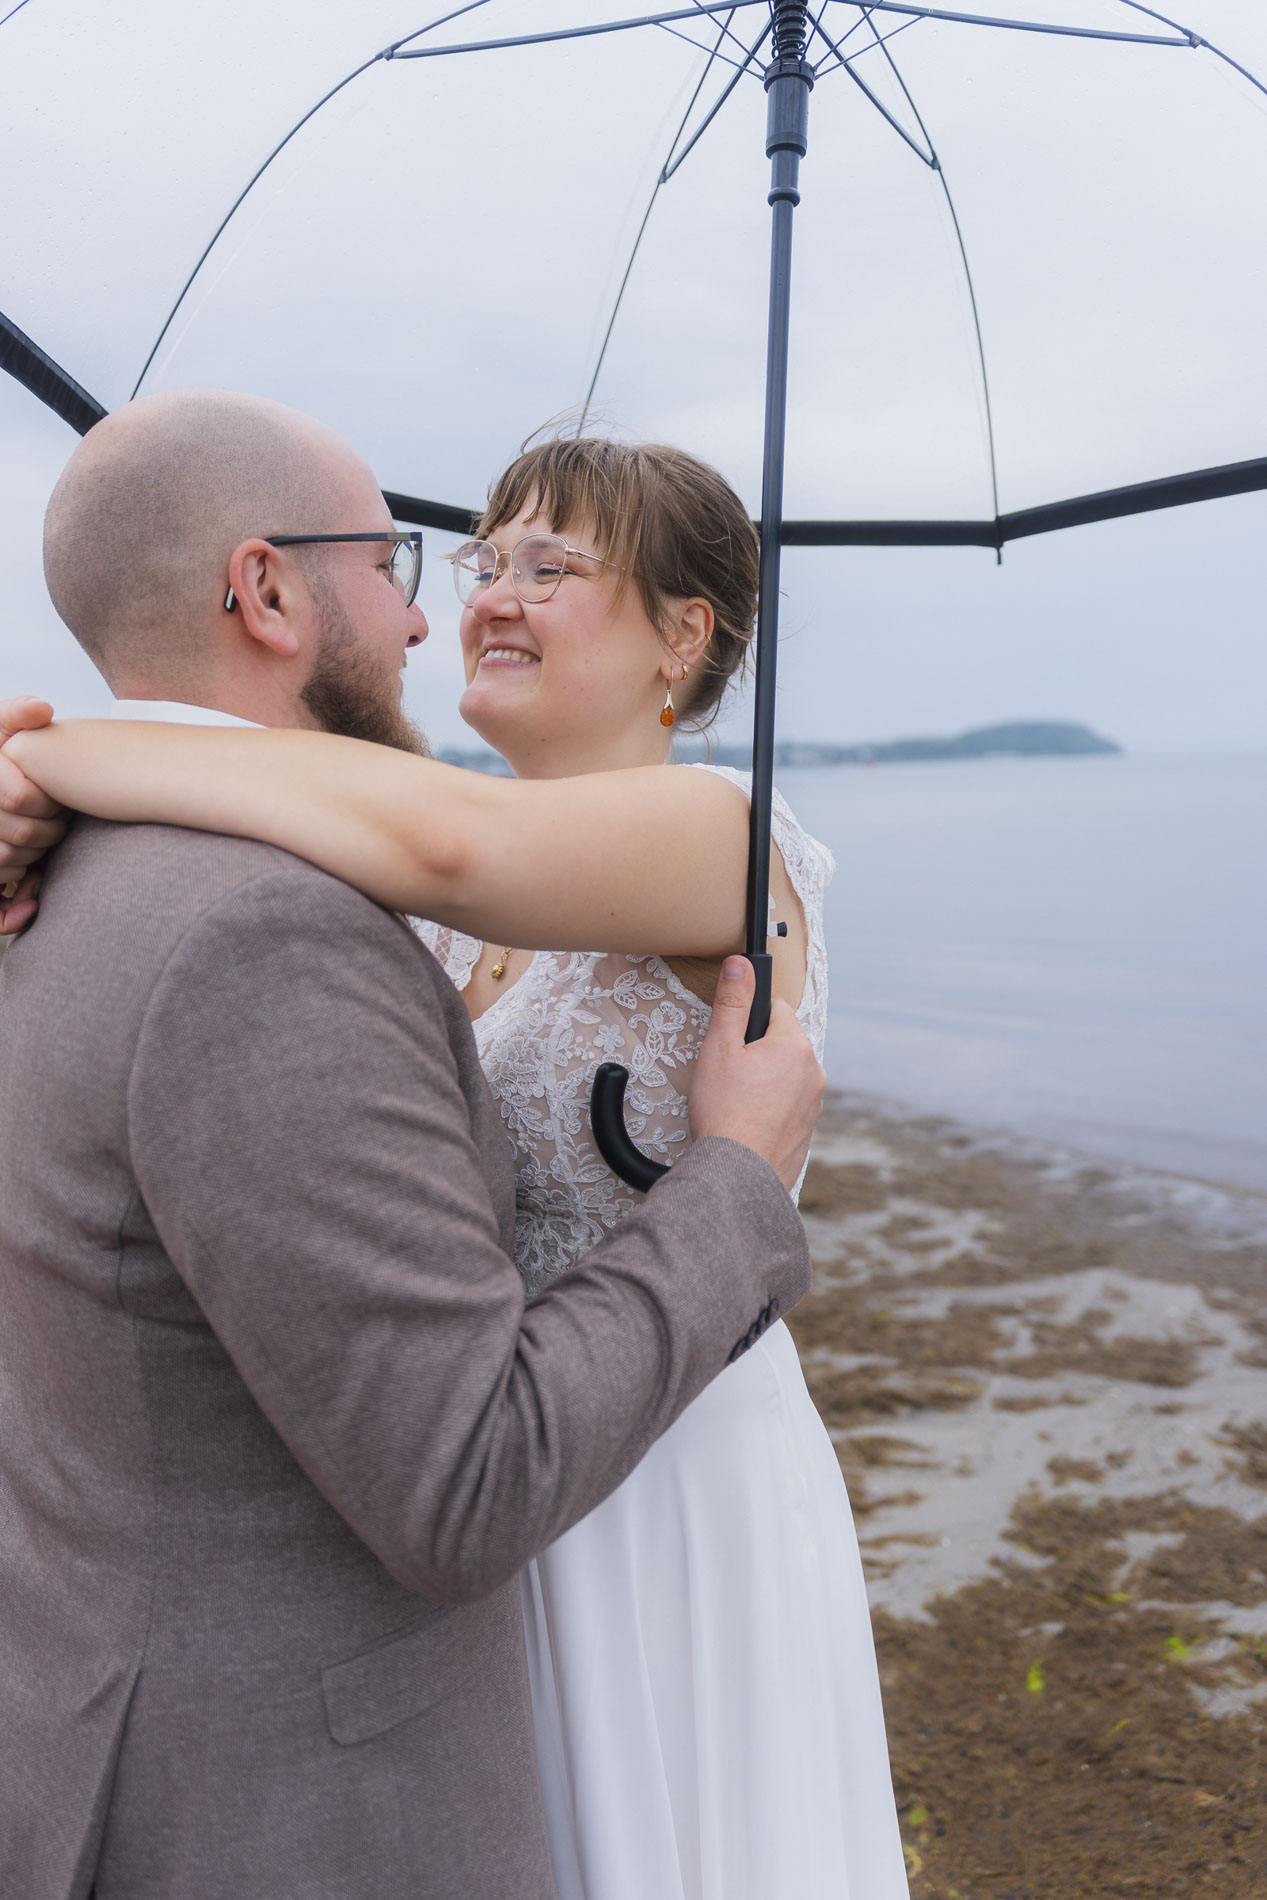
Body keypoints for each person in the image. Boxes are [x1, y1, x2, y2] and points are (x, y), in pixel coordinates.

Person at [0, 391, 828, 1900]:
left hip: (661, 1476)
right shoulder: (397, 873)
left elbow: (446, 839)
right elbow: (390, 839)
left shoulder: (715, 829)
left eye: (552, 569)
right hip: (510, 1464)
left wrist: (56, 762)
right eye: (473, 561)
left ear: (683, 637)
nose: (482, 603)